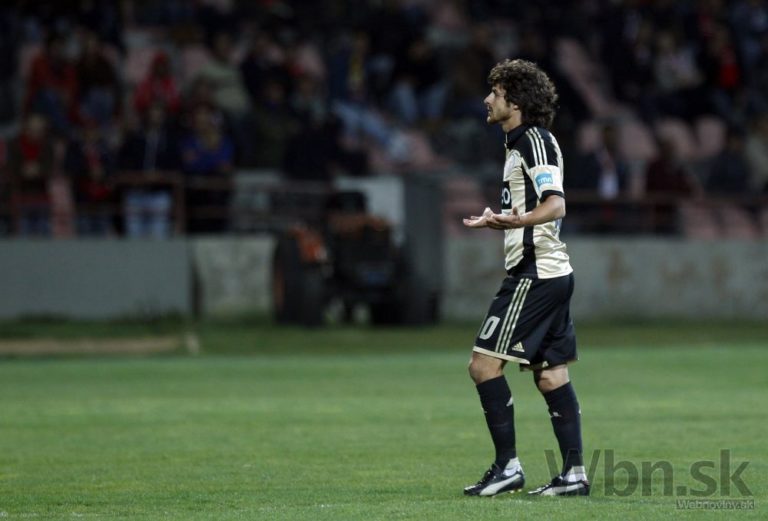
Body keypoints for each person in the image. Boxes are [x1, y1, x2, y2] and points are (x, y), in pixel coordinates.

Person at [461, 59, 588, 497]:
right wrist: (503, 218)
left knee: (483, 366)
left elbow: (556, 205)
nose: (487, 99)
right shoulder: (521, 144)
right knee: (551, 377)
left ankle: (508, 467)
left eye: (494, 92)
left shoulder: (534, 140)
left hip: (535, 275)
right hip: (552, 273)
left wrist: (512, 224)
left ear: (514, 100)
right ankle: (573, 476)